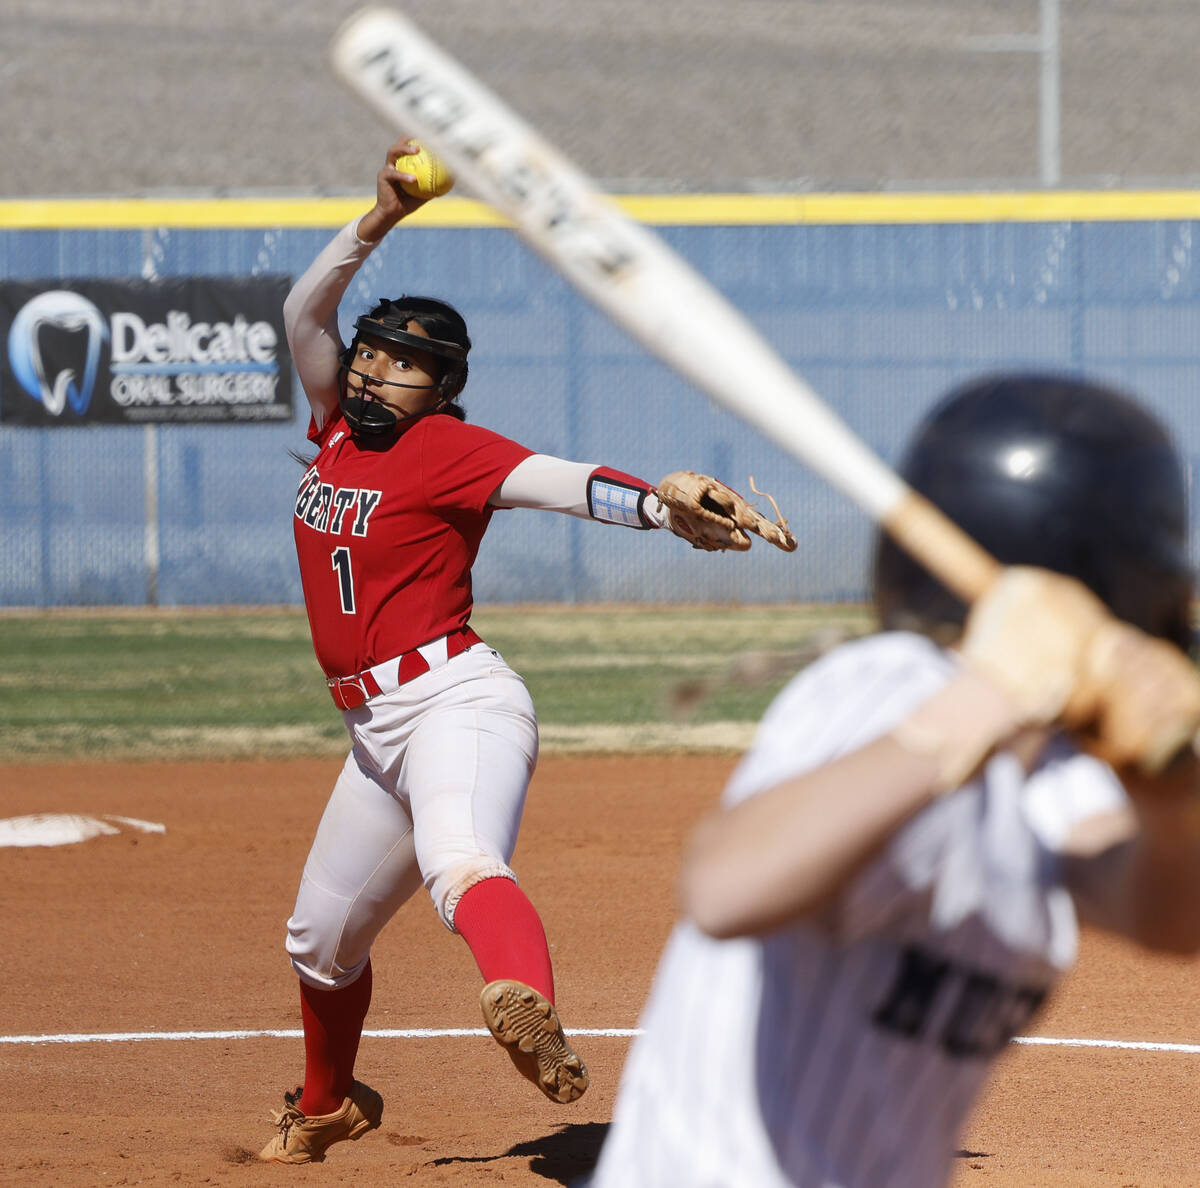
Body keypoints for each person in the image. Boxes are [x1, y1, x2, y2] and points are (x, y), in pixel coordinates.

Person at [257, 138, 793, 1166]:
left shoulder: (447, 449)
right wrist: (380, 216)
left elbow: (563, 480)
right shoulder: (333, 429)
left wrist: (658, 503)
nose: (374, 369)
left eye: (404, 362)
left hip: (457, 703)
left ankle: (524, 1004)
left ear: (441, 384)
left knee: (460, 863)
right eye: (371, 350)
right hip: (374, 734)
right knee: (318, 945)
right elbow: (302, 318)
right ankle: (328, 1103)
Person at [586, 373, 1200, 1188]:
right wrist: (987, 697)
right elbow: (725, 886)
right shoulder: (889, 686)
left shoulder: (1050, 764)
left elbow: (1165, 915)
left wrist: (1170, 793)